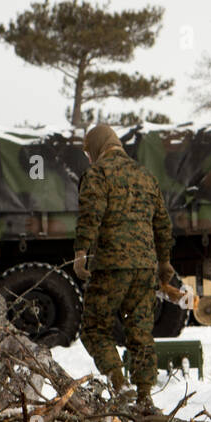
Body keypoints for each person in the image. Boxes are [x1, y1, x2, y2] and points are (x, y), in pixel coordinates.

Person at [73, 124, 175, 407]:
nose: (88, 158)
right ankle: (145, 397)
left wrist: (81, 252)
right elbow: (163, 224)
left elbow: (90, 214)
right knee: (141, 332)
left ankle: (120, 384)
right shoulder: (146, 176)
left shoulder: (98, 173)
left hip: (110, 266)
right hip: (145, 268)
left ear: (96, 147)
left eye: (88, 152)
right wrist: (164, 262)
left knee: (95, 328)